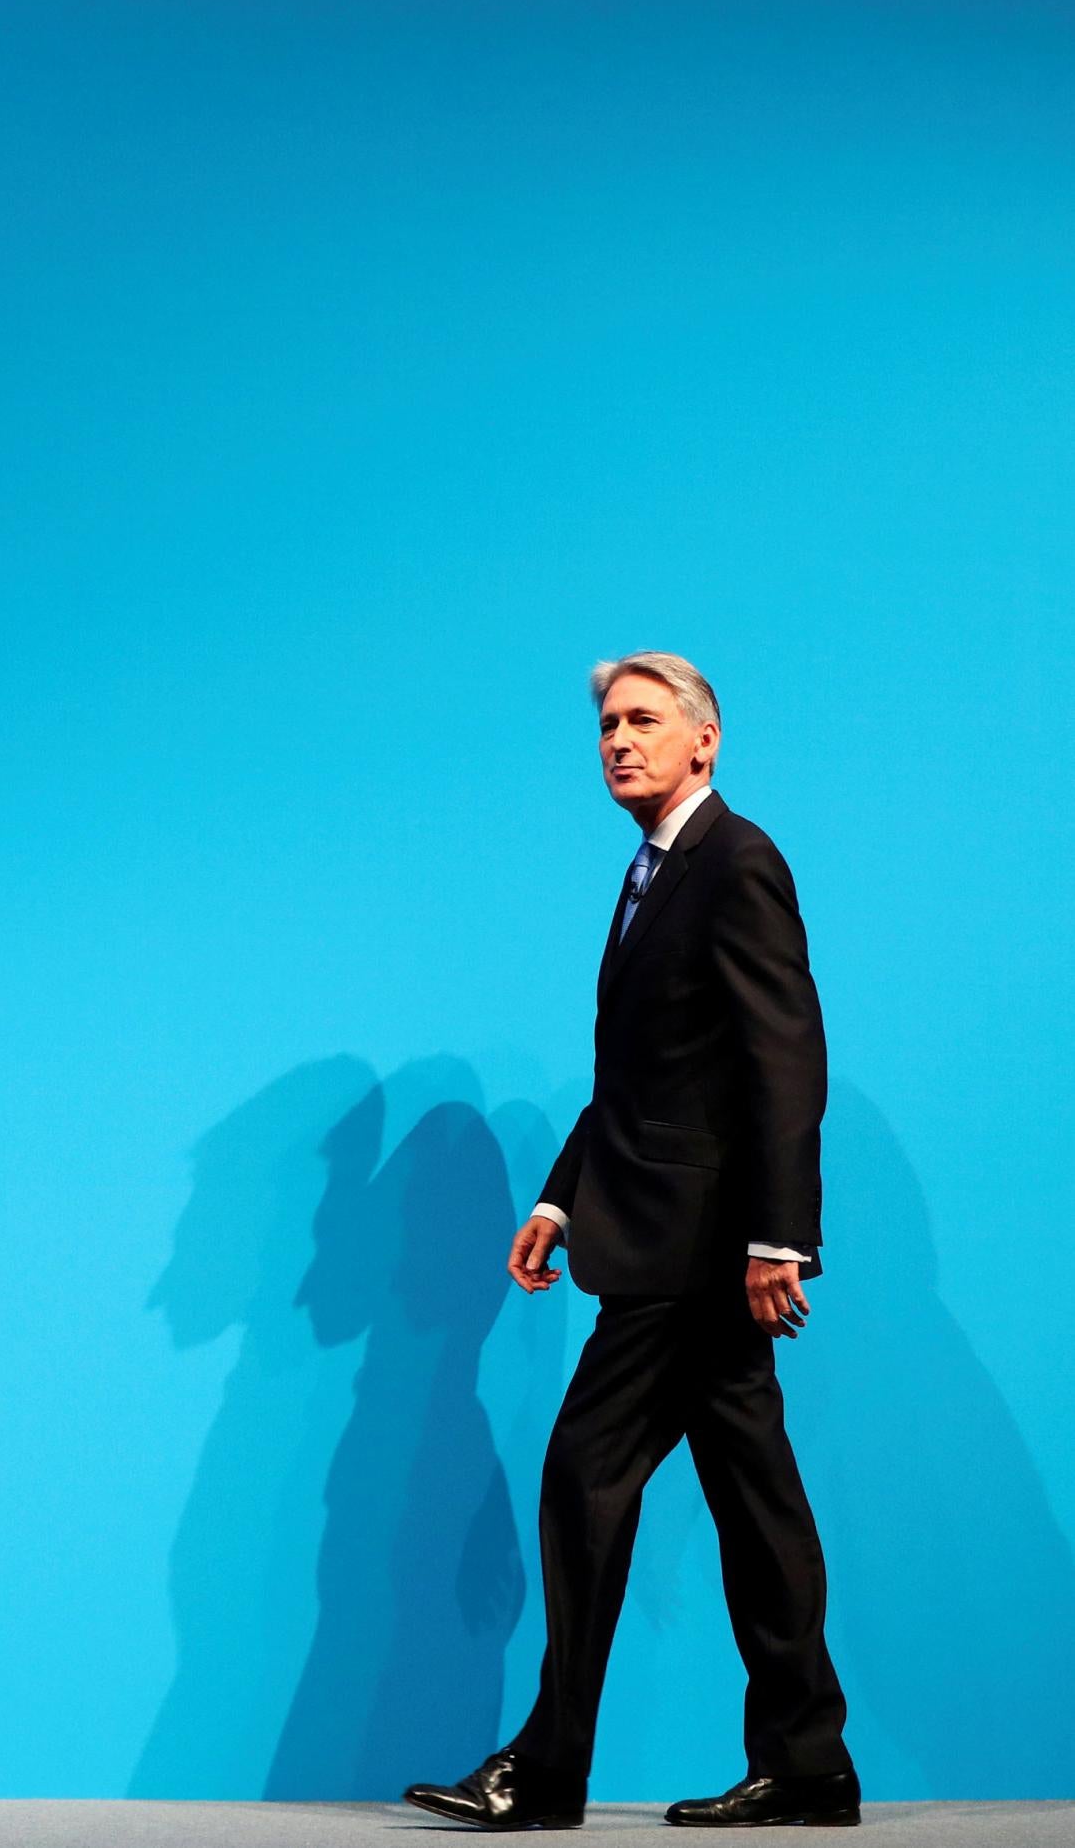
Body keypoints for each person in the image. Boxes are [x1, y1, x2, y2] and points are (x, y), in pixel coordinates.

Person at [403, 653, 859, 1830]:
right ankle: (807, 1760)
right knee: (757, 1504)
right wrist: (561, 1196)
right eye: (607, 722)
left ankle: (546, 1769)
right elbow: (645, 1074)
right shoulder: (652, 871)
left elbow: (782, 1056)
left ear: (703, 740)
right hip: (666, 1236)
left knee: (582, 1479)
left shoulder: (735, 860)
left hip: (695, 1252)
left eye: (643, 719)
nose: (618, 739)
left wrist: (778, 1238)